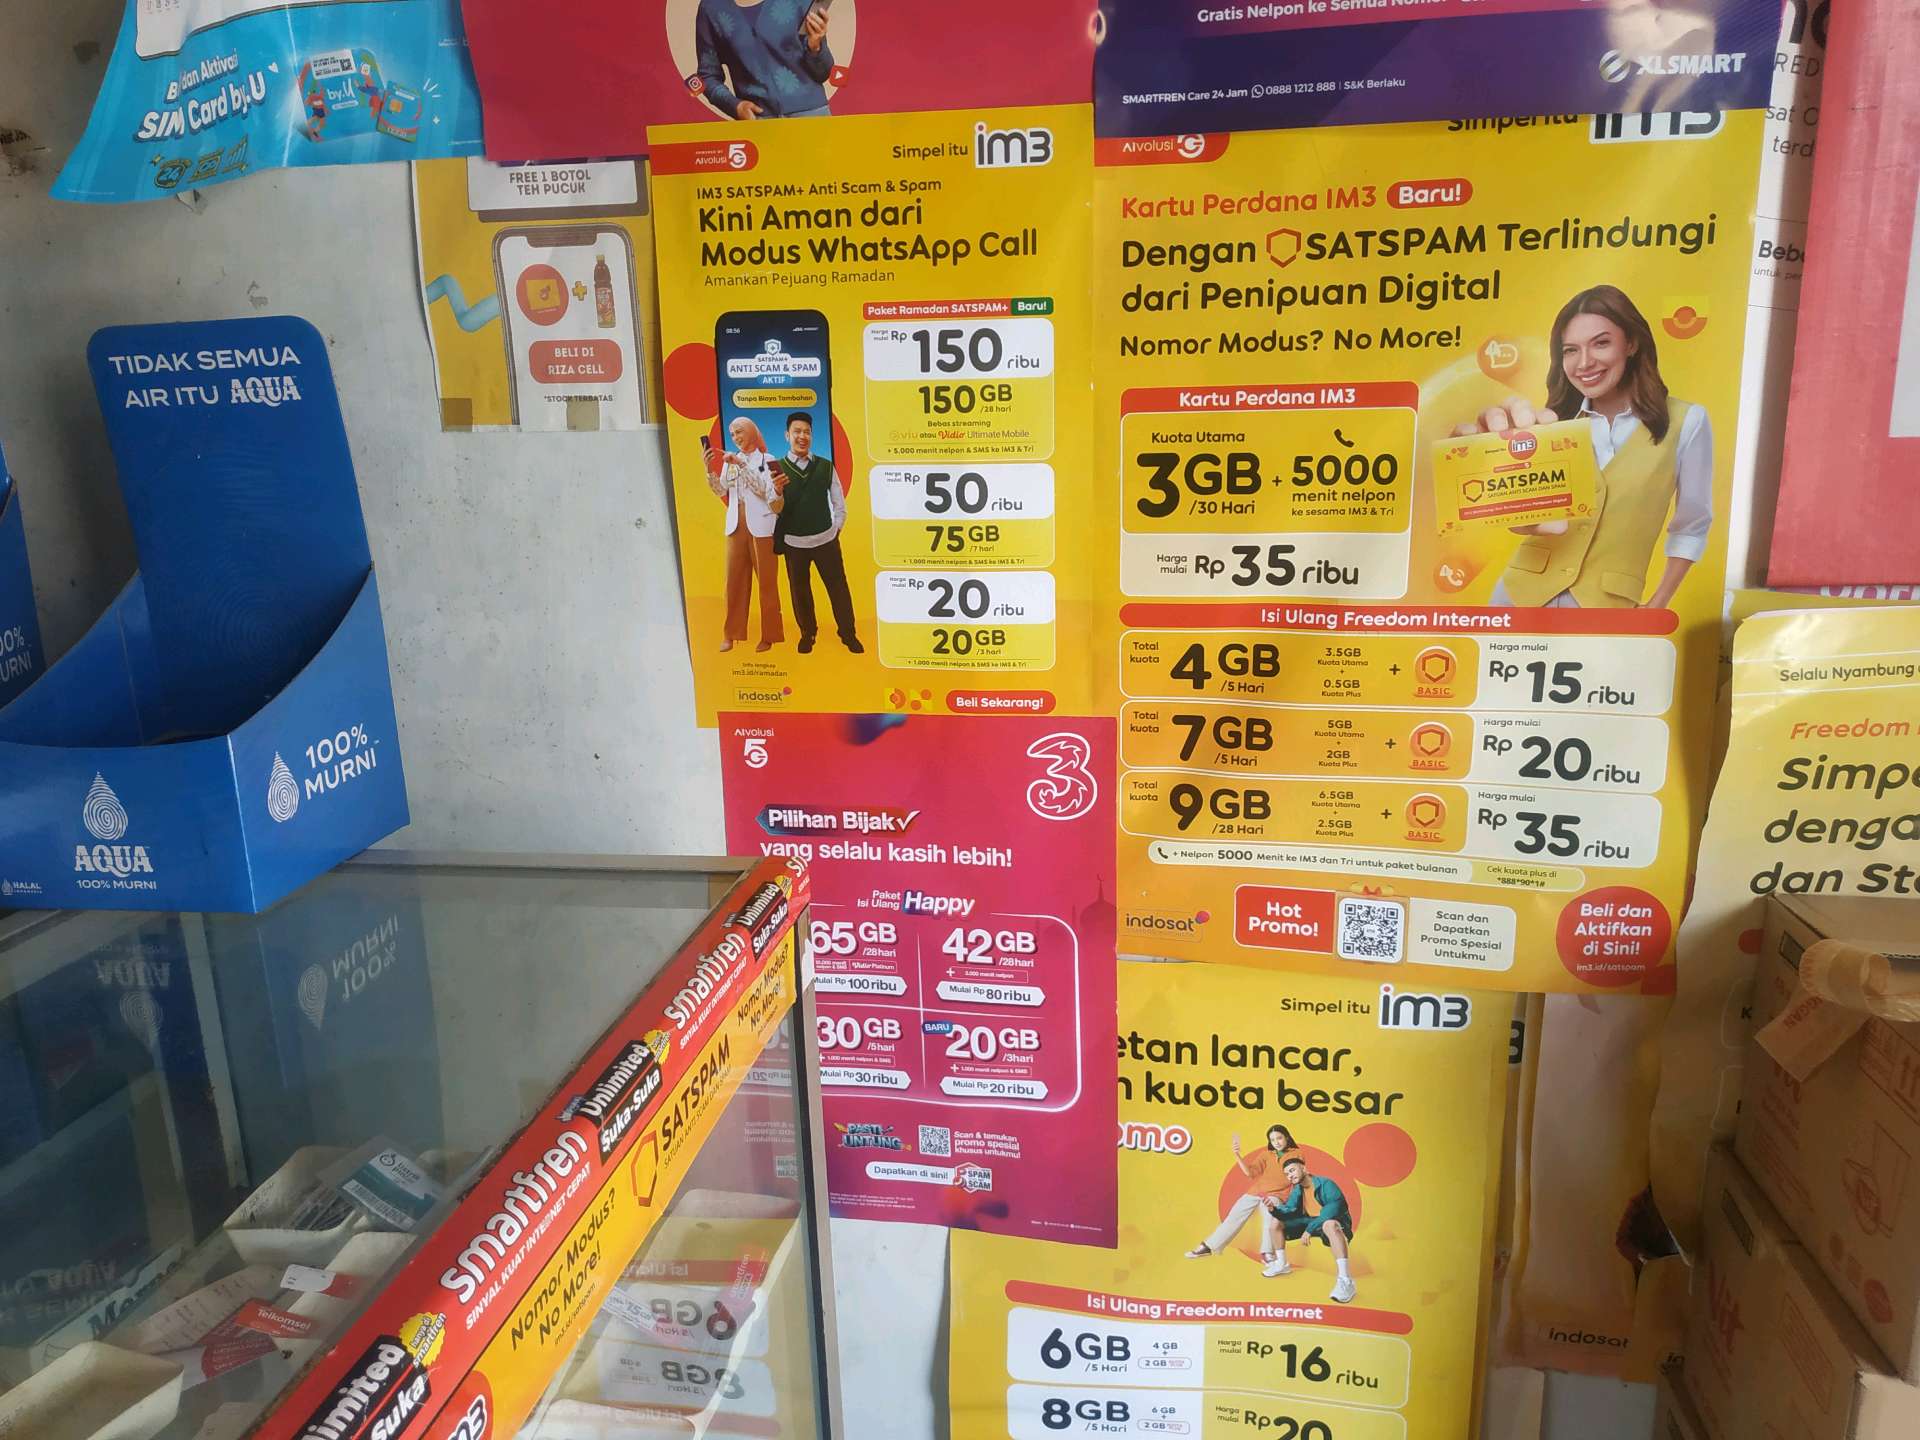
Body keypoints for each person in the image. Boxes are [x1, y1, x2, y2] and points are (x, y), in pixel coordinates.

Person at [1456, 285, 1712, 610]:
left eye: (1601, 343)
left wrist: (1658, 604)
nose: (1585, 363)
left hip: (1608, 606)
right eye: (1570, 350)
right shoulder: (1551, 424)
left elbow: (1692, 524)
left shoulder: (1686, 421)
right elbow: (1524, 518)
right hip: (1517, 597)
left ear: (1631, 343)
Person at [774, 411, 862, 654]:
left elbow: (839, 503)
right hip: (794, 543)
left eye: (807, 432)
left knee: (838, 589)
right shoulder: (776, 469)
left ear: (812, 436)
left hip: (826, 540)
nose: (802, 436)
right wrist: (777, 491)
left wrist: (836, 529)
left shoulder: (825, 466)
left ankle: (848, 634)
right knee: (800, 592)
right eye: (797, 431)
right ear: (787, 435)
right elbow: (774, 508)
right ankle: (807, 634)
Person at [693, 0, 835, 121]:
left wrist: (816, 47)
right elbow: (707, 76)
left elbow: (823, 73)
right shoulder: (711, 8)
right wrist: (735, 106)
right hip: (759, 123)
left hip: (812, 118)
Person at [1184, 1125, 1299, 1270]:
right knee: (1234, 1217)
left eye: (1279, 1138)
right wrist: (1237, 1155)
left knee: (1269, 1218)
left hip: (1277, 1194)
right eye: (1273, 1140)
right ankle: (1208, 1246)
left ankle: (1267, 1253)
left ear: (1286, 1137)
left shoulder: (1296, 1154)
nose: (1277, 1142)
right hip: (1256, 1192)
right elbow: (1250, 1173)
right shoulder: (1266, 1155)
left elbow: (1294, 1174)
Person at [712, 417, 783, 653]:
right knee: (734, 582)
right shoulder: (731, 460)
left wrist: (742, 465)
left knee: (767, 582)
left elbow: (765, 492)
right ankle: (730, 634)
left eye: (739, 432)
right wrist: (708, 469)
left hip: (762, 526)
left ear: (751, 432)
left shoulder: (769, 460)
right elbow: (721, 490)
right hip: (736, 524)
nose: (735, 438)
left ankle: (770, 636)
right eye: (732, 434)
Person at [1266, 1153, 1358, 1303]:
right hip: (1310, 1221)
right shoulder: (1297, 1189)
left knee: (1329, 1224)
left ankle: (1345, 1280)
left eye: (1292, 1170)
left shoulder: (1326, 1184)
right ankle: (1282, 1264)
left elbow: (1332, 1210)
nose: (1290, 1176)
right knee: (1276, 1222)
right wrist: (1274, 1210)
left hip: (1332, 1223)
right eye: (1287, 1174)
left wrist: (1310, 1229)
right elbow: (1289, 1209)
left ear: (1303, 1168)